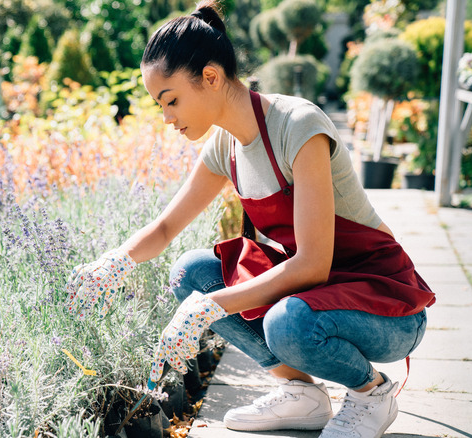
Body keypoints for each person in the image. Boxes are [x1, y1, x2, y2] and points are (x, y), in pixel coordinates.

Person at [65, 1, 435, 436]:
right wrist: (116, 262)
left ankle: (372, 394)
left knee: (286, 322)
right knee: (193, 273)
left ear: (210, 77)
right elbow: (166, 228)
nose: (167, 118)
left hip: (387, 307)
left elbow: (313, 263)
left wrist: (210, 308)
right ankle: (300, 394)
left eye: (171, 101)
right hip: (320, 296)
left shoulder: (297, 126)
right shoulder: (225, 147)